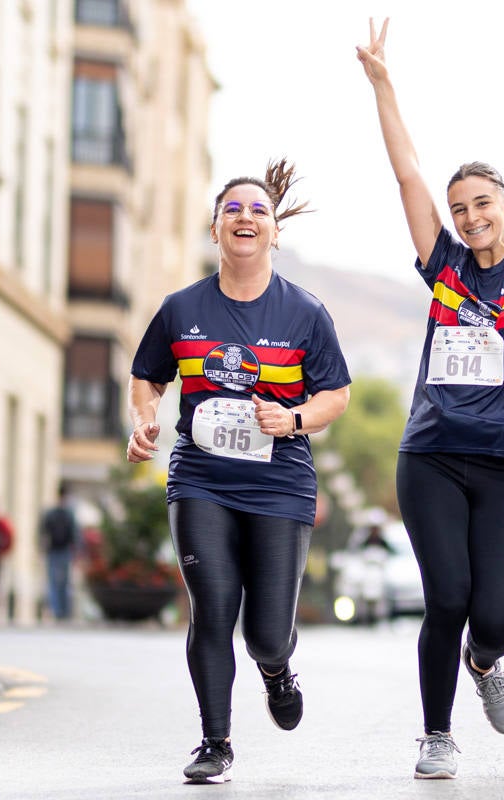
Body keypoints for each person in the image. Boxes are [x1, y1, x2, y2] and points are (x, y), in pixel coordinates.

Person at [356, 17, 504, 780]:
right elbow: (409, 176)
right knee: (446, 598)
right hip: (434, 457)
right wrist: (383, 83)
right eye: (462, 207)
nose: (473, 216)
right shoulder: (443, 266)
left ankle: (486, 661)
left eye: (484, 202)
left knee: (497, 619)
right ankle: (437, 734)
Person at [127, 159, 351, 785]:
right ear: (215, 228)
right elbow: (147, 375)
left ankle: (278, 669)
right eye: (233, 209)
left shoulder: (305, 314)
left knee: (266, 635)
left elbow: (336, 395)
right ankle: (215, 743)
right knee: (213, 604)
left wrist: (294, 420)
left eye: (259, 211)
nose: (246, 217)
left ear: (276, 232)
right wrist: (145, 417)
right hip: (201, 478)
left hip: (279, 484)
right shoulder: (181, 309)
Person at [39, 482, 81, 621]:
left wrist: (42, 548)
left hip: (53, 551)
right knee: (65, 583)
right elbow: (75, 535)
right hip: (65, 551)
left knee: (53, 583)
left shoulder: (50, 513)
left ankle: (57, 610)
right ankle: (64, 611)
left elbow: (42, 532)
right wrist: (77, 553)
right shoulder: (70, 513)